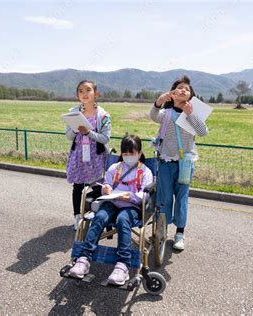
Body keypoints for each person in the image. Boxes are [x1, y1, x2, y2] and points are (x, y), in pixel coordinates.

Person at [68, 135, 153, 285]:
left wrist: (131, 197)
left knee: (122, 220)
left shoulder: (145, 171)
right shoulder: (115, 168)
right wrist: (106, 189)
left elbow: (145, 195)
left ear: (139, 153)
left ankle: (123, 265)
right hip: (112, 202)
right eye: (125, 154)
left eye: (132, 154)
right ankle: (84, 259)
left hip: (131, 207)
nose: (128, 157)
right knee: (99, 216)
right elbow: (106, 184)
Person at [149, 75, 208, 251]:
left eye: (187, 89)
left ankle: (180, 233)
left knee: (182, 199)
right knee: (164, 197)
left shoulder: (192, 115)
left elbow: (203, 132)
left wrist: (191, 114)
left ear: (190, 96)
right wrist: (158, 101)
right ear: (172, 94)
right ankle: (163, 229)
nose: (183, 90)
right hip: (165, 162)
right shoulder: (165, 114)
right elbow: (152, 115)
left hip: (185, 164)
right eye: (180, 87)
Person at [65, 80, 111, 230]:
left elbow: (105, 138)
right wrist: (75, 129)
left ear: (95, 93)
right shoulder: (73, 112)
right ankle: (77, 216)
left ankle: (100, 218)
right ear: (77, 94)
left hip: (96, 157)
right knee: (78, 186)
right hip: (78, 154)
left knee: (98, 187)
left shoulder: (103, 115)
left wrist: (88, 132)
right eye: (80, 91)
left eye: (88, 90)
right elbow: (69, 136)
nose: (84, 94)